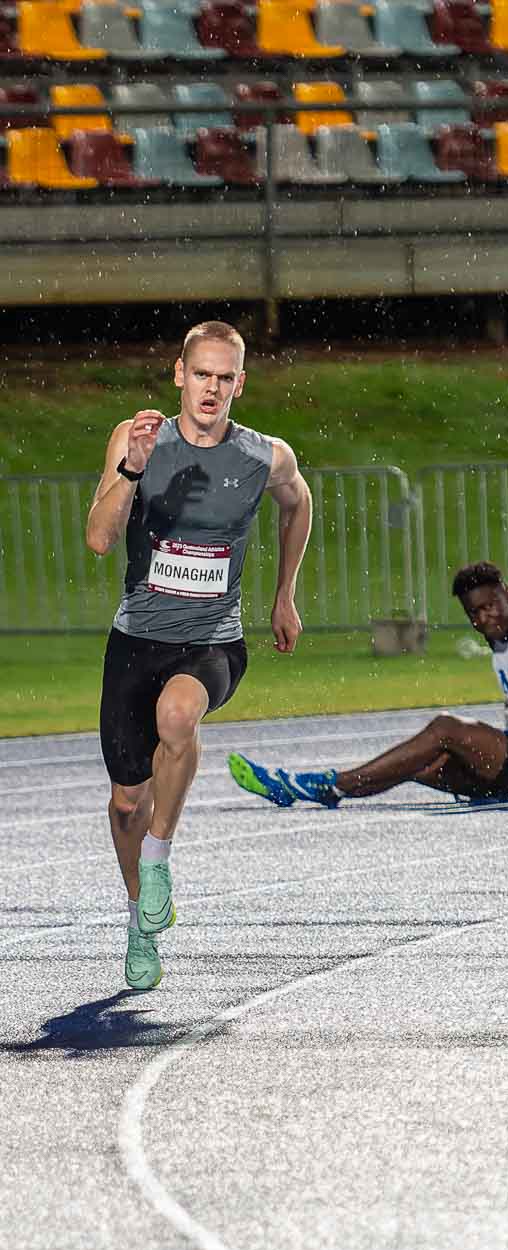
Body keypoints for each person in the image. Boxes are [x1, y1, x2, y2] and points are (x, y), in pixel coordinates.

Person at [86, 321, 312, 991]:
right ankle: (140, 918)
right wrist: (132, 468)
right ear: (179, 375)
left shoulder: (265, 456)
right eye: (201, 374)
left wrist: (285, 595)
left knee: (179, 717)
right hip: (136, 640)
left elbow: (297, 505)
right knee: (127, 802)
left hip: (213, 640)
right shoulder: (137, 440)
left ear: (240, 384)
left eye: (225, 377)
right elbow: (100, 539)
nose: (212, 387)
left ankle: (159, 856)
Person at [228, 560, 508, 810]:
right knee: (418, 765)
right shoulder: (497, 638)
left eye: (491, 604)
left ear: (507, 593)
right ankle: (304, 788)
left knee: (445, 728)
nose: (485, 617)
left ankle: (327, 785)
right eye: (475, 613)